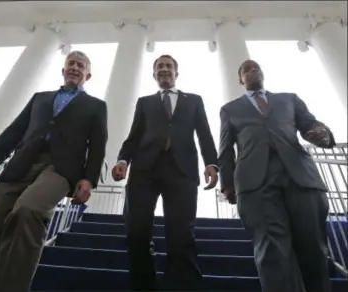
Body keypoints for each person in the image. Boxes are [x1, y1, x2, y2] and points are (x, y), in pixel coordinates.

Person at [0, 51, 108, 292]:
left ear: (88, 74)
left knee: (28, 210)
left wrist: (89, 178)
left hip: (59, 169)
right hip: (20, 164)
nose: (74, 68)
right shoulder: (40, 98)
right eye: (70, 64)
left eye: (80, 65)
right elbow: (15, 132)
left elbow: (98, 145)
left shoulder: (96, 106)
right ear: (63, 70)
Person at [218, 59, 335, 292]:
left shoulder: (289, 99)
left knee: (312, 246)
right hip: (255, 183)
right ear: (240, 80)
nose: (252, 71)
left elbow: (311, 125)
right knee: (272, 251)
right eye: (246, 70)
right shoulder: (230, 109)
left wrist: (323, 135)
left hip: (301, 177)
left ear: (263, 74)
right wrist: (228, 184)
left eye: (256, 68)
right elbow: (225, 149)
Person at [111, 54, 218, 290]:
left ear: (176, 73)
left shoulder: (194, 100)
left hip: (182, 171)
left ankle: (181, 286)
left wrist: (211, 162)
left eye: (169, 66)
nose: (164, 69)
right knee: (137, 232)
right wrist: (122, 161)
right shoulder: (144, 102)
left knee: (181, 235)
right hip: (144, 171)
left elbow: (204, 134)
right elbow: (133, 136)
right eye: (159, 66)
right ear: (154, 74)